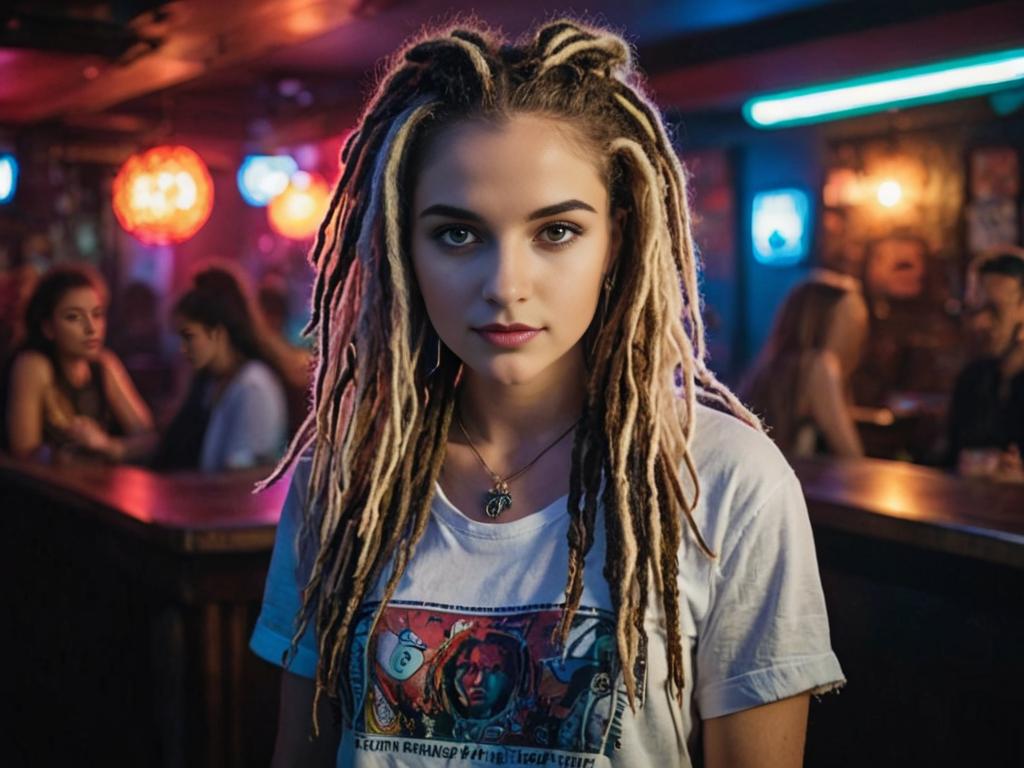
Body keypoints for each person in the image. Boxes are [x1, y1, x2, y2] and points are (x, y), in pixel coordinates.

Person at [251, 19, 844, 768]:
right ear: (405, 247)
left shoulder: (722, 481)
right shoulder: (345, 478)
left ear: (617, 241)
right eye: (458, 235)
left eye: (556, 231)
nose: (506, 286)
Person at [2, 264, 155, 463]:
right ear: (48, 327)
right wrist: (71, 450)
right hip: (41, 490)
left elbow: (149, 438)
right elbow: (24, 453)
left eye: (97, 314)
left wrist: (106, 445)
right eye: (73, 317)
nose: (91, 328)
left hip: (94, 486)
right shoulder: (33, 365)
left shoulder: (104, 365)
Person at [153, 265, 287, 472]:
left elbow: (243, 475)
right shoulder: (209, 383)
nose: (182, 348)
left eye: (188, 337)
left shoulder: (252, 386)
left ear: (217, 333)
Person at [742, 272, 868, 457]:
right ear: (824, 321)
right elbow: (851, 453)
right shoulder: (818, 367)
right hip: (799, 481)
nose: (857, 335)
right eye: (850, 322)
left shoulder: (772, 367)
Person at [947, 249, 1024, 479]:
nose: (980, 323)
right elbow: (951, 459)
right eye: (975, 309)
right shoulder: (971, 379)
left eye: (994, 309)